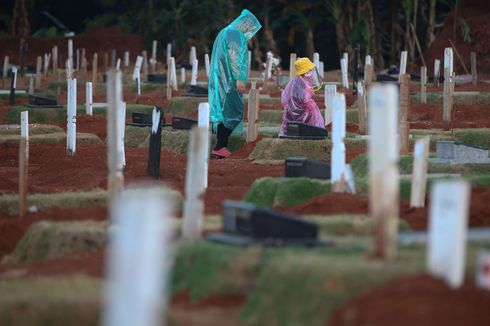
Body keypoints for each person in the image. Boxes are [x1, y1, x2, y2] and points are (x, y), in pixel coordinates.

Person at [208, 9, 261, 158]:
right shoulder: (234, 34)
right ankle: (220, 146)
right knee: (234, 113)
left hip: (222, 79)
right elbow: (234, 57)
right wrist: (238, 78)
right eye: (250, 27)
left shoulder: (226, 31)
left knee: (224, 113)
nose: (250, 31)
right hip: (230, 80)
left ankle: (221, 146)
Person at [279, 57, 325, 137]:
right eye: (310, 71)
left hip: (293, 117)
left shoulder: (297, 82)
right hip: (299, 118)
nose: (312, 75)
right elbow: (302, 102)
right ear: (306, 73)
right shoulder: (300, 85)